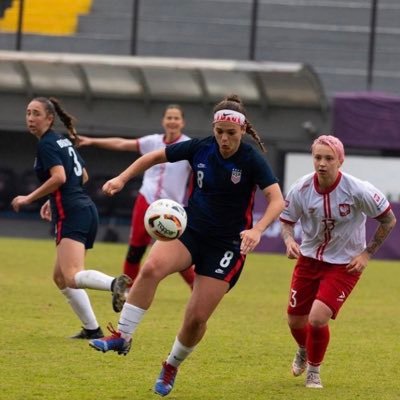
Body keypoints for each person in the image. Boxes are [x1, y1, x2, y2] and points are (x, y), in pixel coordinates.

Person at [88, 94, 285, 396]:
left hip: (227, 246)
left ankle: (171, 365)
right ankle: (122, 335)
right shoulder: (201, 147)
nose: (224, 139)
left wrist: (257, 230)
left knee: (196, 318)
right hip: (191, 230)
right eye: (219, 132)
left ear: (242, 131)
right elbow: (154, 156)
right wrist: (122, 177)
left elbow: (276, 199)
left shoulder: (251, 159)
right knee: (151, 267)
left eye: (230, 133)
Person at [279, 135, 396, 389]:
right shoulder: (301, 189)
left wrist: (366, 254)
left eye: (328, 158)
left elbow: (388, 219)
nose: (322, 163)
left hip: (344, 265)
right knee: (295, 321)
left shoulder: (358, 190)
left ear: (340, 161)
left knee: (318, 318)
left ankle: (314, 371)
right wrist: (289, 241)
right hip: (309, 260)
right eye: (317, 157)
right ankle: (303, 349)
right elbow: (287, 221)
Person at [11, 96, 132, 339]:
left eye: (36, 114)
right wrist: (49, 199)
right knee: (61, 277)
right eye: (28, 113)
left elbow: (59, 178)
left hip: (72, 212)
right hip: (84, 209)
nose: (30, 118)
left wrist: (29, 198)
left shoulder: (47, 144)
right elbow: (83, 176)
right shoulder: (61, 141)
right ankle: (92, 329)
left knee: (72, 275)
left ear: (49, 118)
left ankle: (114, 284)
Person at [77, 104, 195, 289]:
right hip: (146, 203)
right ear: (163, 121)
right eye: (169, 117)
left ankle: (198, 290)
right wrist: (92, 141)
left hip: (173, 209)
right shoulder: (153, 142)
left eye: (176, 118)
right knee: (135, 250)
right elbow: (122, 143)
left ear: (183, 122)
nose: (172, 121)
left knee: (178, 253)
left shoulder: (189, 147)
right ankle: (125, 291)